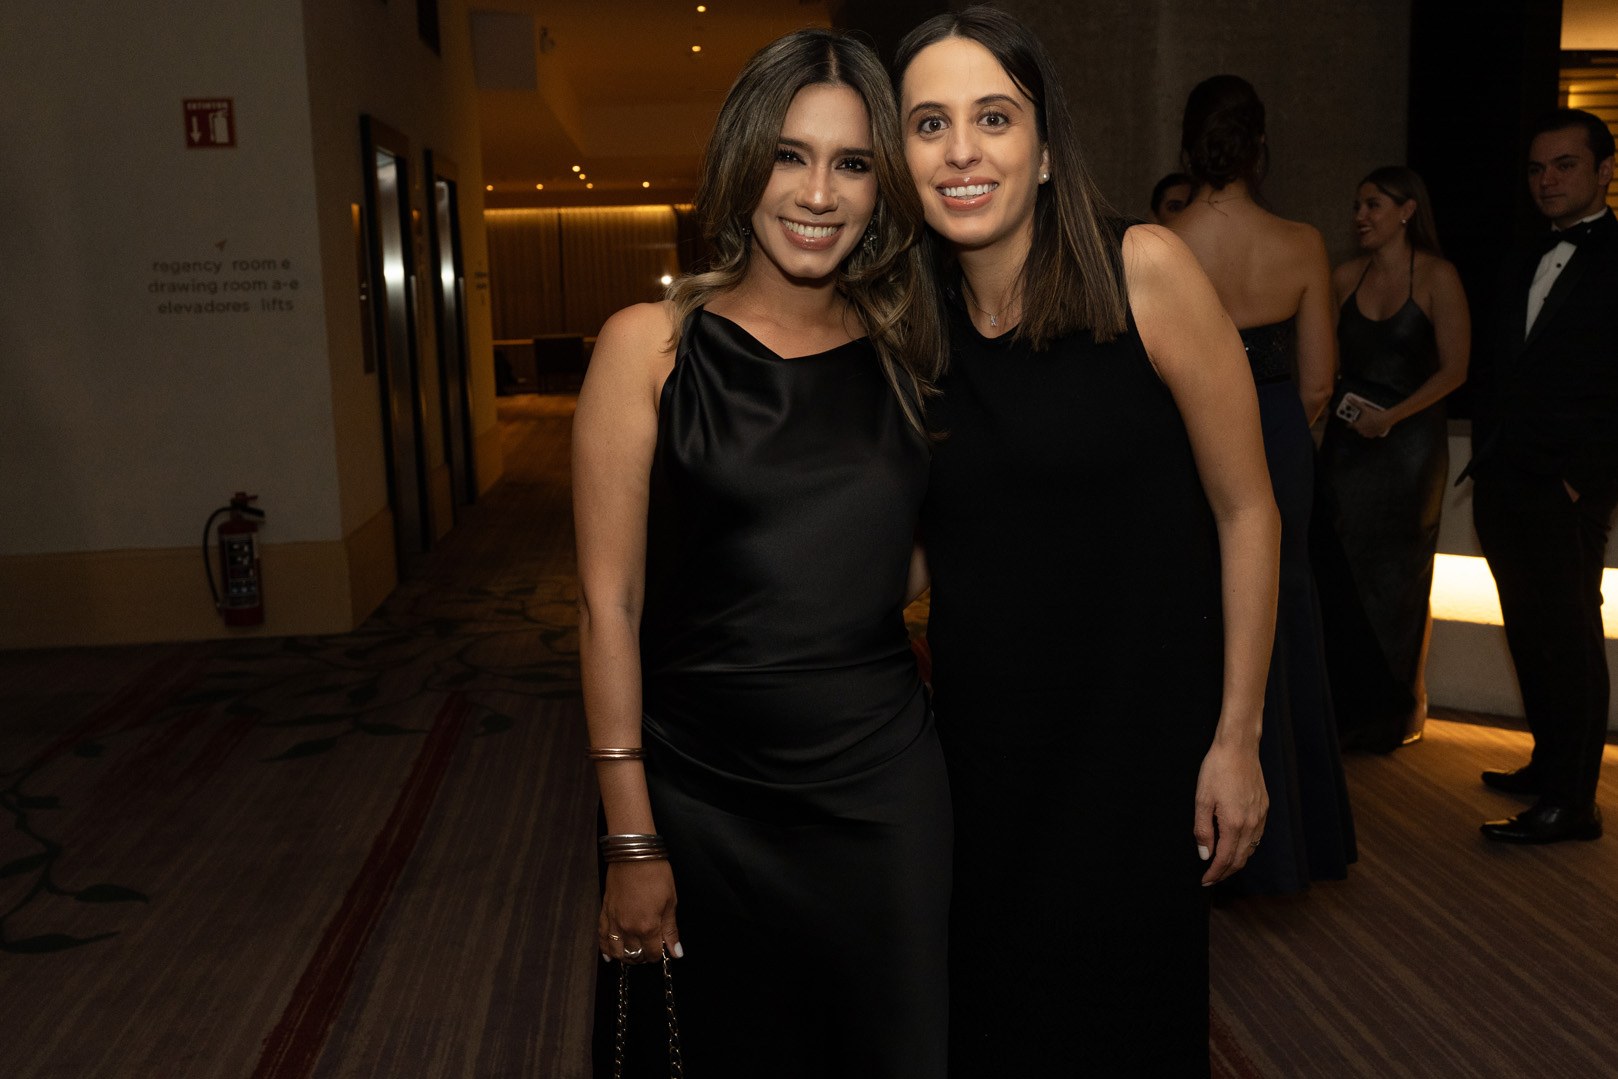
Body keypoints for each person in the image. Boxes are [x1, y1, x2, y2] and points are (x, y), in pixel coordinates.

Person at [896, 9, 1277, 1073]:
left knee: (1125, 1027)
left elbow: (1249, 510)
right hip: (982, 755)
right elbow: (936, 543)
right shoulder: (906, 329)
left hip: (1135, 750)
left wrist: (1238, 736)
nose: (961, 150)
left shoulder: (1142, 269)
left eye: (993, 118)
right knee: (991, 1021)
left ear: (1046, 148)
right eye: (929, 123)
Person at [572, 29, 949, 1076]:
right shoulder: (648, 347)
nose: (818, 193)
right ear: (745, 162)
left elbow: (907, 560)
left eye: (852, 162)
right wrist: (631, 835)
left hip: (879, 792)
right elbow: (608, 606)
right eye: (790, 155)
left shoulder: (908, 358)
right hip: (698, 794)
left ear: (881, 190)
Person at [1171, 74, 1356, 893]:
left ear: (1188, 145)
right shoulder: (1302, 241)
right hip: (1277, 435)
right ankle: (1291, 839)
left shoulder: (1160, 240)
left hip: (1187, 437)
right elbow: (1318, 383)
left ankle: (1188, 828)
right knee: (1283, 610)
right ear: (1259, 148)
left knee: (1195, 610)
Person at [1465, 107, 1617, 844]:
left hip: (1566, 485)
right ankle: (1549, 763)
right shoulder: (1522, 255)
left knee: (1571, 636)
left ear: (1604, 171)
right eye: (1536, 168)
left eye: (1564, 165)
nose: (1547, 180)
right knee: (1528, 630)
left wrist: (1582, 479)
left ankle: (1573, 801)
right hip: (1504, 477)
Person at [1315, 166, 1470, 752]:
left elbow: (1455, 370)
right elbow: (1325, 362)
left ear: (1407, 211)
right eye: (1357, 205)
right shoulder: (1342, 277)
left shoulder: (1437, 276)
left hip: (1409, 450)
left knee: (1400, 578)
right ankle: (1344, 708)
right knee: (1341, 569)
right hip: (1348, 446)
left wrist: (1393, 417)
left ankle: (1397, 708)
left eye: (1373, 205)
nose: (1360, 216)